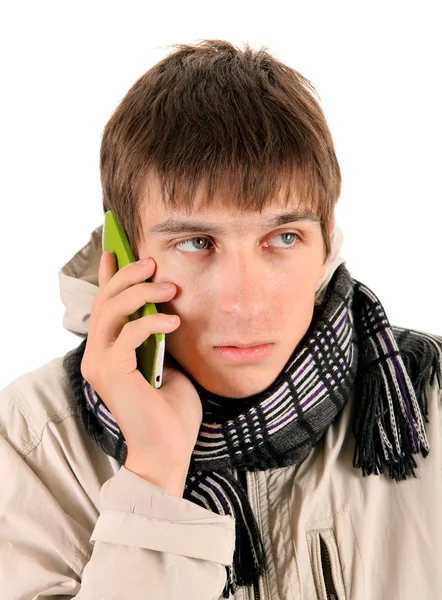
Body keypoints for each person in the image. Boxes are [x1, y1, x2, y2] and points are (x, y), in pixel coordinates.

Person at [1, 39, 441, 600]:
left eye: (284, 238)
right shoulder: (29, 443)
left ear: (327, 240)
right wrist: (155, 476)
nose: (245, 303)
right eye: (196, 242)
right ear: (124, 251)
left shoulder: (430, 395)